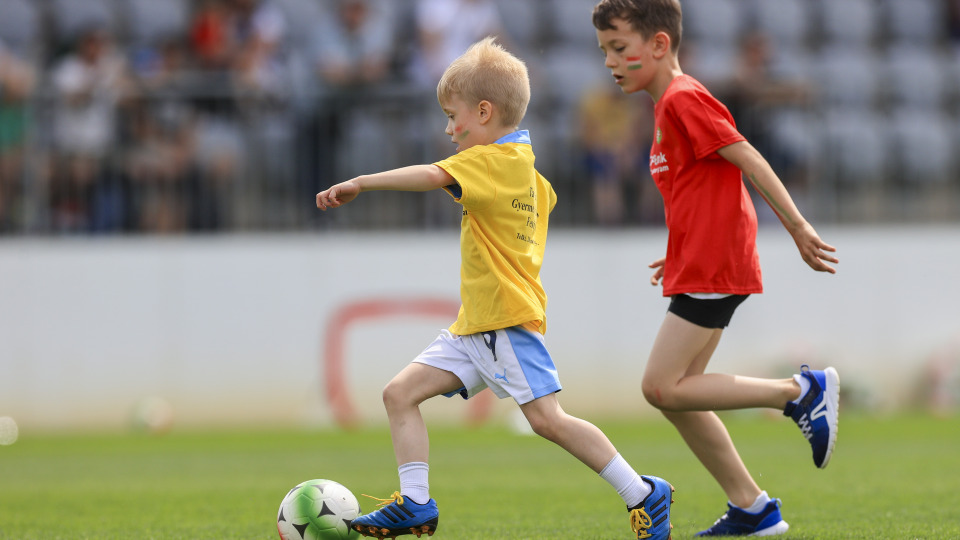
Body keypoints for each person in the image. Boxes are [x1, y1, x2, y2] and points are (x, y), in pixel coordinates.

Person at [316, 36, 674, 540]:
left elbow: (430, 175)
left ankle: (642, 492)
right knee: (399, 394)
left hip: (504, 321)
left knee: (548, 420)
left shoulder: (488, 162)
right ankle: (415, 503)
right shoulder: (530, 175)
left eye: (452, 116)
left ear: (484, 112)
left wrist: (361, 182)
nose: (448, 129)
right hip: (475, 326)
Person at [591, 0, 840, 537]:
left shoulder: (684, 97)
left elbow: (748, 157)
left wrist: (797, 225)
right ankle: (752, 507)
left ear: (659, 44)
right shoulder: (665, 108)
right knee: (681, 394)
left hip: (715, 263)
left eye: (618, 48)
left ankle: (799, 392)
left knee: (660, 387)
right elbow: (698, 191)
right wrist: (679, 246)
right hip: (701, 259)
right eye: (605, 50)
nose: (609, 62)